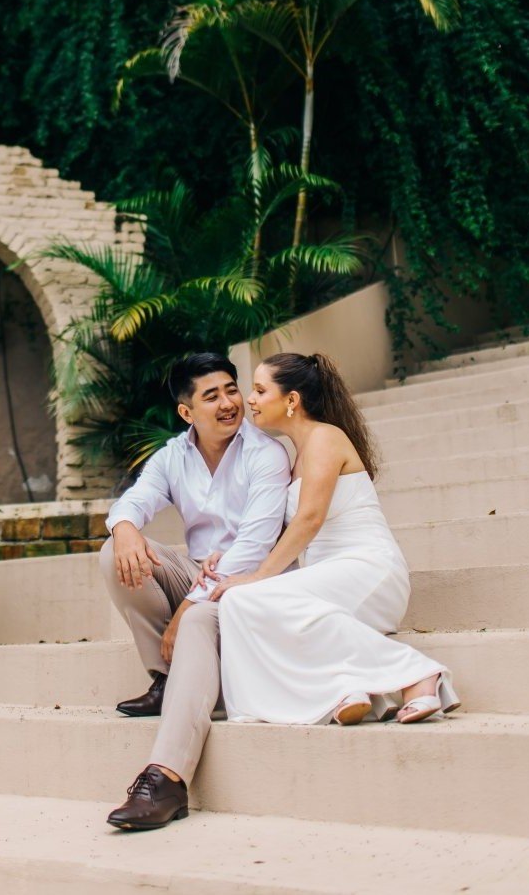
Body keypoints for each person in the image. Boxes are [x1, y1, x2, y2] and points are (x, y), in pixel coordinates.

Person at [207, 352, 460, 728]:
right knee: (237, 604)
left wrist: (258, 576)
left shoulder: (325, 437)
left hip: (368, 570)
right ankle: (345, 688)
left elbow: (309, 519)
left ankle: (417, 674)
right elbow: (273, 531)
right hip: (327, 581)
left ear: (292, 400)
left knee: (246, 597)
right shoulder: (294, 455)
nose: (251, 399)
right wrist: (224, 556)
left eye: (260, 390)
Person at [100, 352, 291, 831]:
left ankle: (166, 780)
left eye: (231, 390)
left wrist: (187, 608)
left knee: (201, 616)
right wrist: (124, 528)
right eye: (212, 396)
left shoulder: (265, 453)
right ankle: (167, 678)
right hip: (200, 575)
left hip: (251, 584)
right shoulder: (173, 456)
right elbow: (135, 500)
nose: (229, 403)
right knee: (114, 552)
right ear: (187, 411)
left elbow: (254, 547)